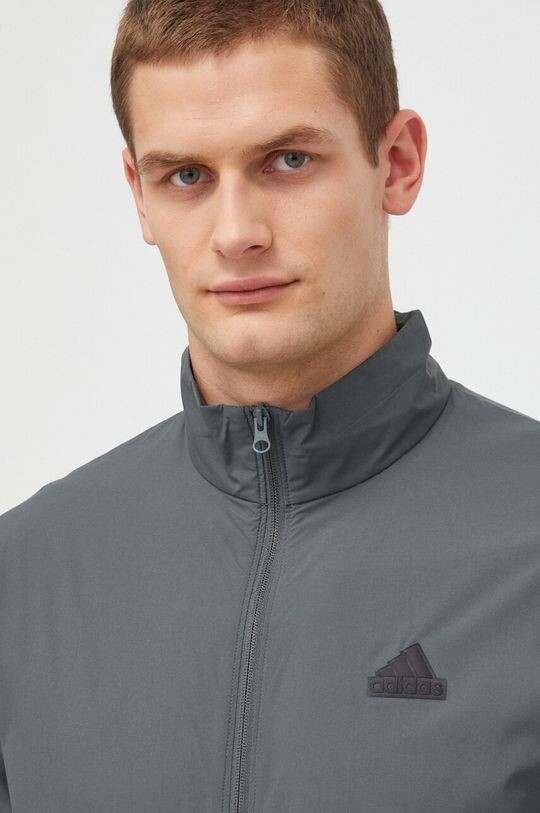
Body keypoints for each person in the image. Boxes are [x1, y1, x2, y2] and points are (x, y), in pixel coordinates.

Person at [1, 1, 539, 810]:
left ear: (396, 164)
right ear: (139, 195)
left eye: (288, 160)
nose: (237, 232)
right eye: (186, 176)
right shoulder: (24, 576)